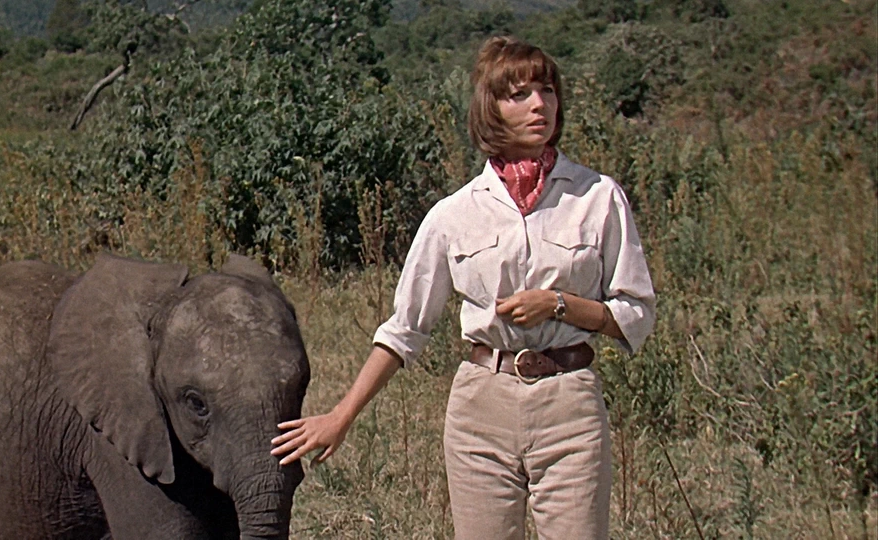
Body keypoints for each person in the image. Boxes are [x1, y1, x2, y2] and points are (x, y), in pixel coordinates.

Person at [271, 36, 656, 539]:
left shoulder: (598, 197)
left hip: (570, 402)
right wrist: (340, 416)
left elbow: (635, 313)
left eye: (547, 91)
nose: (539, 105)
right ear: (490, 109)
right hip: (481, 408)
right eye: (519, 95)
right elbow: (404, 330)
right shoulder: (454, 214)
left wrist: (559, 305)